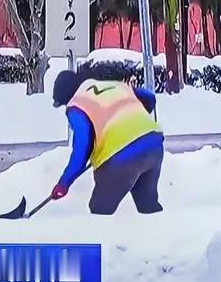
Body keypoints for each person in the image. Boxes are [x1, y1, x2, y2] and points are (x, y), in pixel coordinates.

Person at [49, 69, 164, 215]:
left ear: (66, 96)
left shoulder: (77, 104)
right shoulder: (114, 85)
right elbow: (149, 98)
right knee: (147, 205)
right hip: (153, 143)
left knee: (100, 210)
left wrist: (64, 183)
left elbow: (82, 147)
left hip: (122, 157)